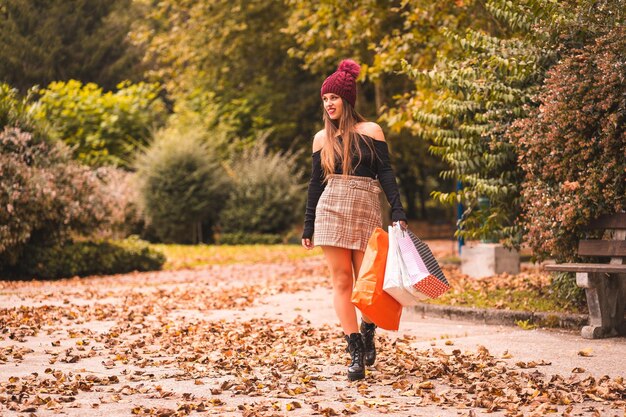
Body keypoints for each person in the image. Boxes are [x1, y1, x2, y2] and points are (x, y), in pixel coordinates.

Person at [301, 59, 408, 381]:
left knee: (367, 283)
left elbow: (386, 173)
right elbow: (315, 184)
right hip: (330, 210)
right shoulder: (322, 138)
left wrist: (398, 210)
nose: (328, 103)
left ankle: (368, 328)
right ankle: (355, 350)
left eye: (333, 97)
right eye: (324, 99)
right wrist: (308, 224)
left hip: (365, 209)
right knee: (342, 283)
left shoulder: (371, 131)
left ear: (347, 100)